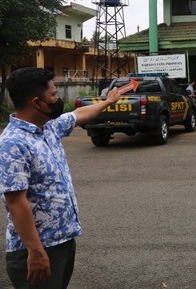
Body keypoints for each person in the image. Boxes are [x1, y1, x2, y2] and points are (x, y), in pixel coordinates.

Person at [0, 67, 121, 288]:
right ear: (36, 102)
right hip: (36, 249)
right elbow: (16, 202)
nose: (57, 100)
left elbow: (78, 115)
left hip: (62, 242)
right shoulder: (13, 143)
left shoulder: (49, 128)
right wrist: (36, 251)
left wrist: (108, 101)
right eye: (53, 96)